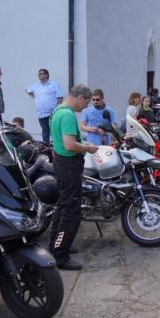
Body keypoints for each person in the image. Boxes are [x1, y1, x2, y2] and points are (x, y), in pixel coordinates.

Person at [50, 84, 99, 270]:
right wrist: (88, 148)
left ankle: (56, 245)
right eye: (86, 102)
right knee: (71, 211)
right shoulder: (68, 115)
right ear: (80, 97)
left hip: (62, 164)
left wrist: (82, 142)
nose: (85, 107)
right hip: (69, 166)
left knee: (62, 206)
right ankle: (60, 256)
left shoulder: (58, 110)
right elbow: (70, 145)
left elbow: (65, 141)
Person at [26, 68, 63, 145]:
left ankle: (56, 146)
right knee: (45, 131)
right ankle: (46, 147)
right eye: (39, 74)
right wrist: (35, 97)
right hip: (41, 113)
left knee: (54, 130)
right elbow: (27, 90)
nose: (39, 75)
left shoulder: (54, 84)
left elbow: (60, 97)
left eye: (41, 74)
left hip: (52, 113)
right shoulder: (36, 84)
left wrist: (58, 110)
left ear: (46, 75)